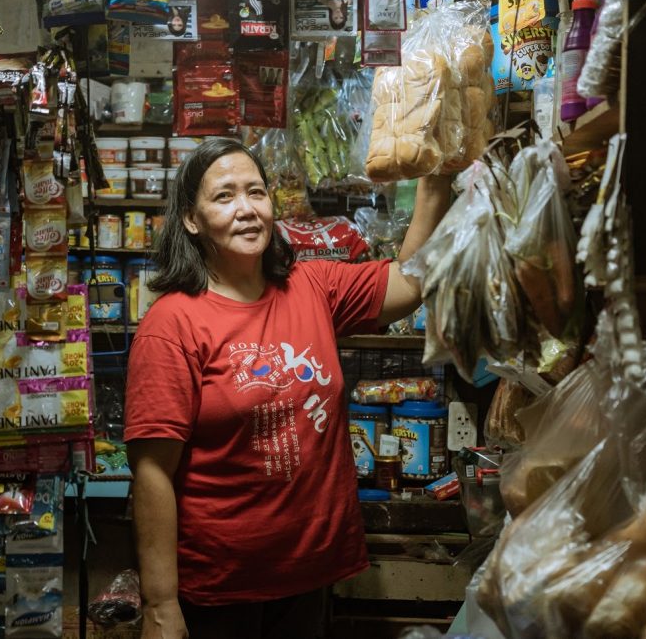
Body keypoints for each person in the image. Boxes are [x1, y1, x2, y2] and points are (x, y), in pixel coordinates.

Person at [124, 138, 452, 639]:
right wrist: (160, 604)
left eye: (256, 192)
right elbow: (151, 475)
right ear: (191, 219)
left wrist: (435, 179)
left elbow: (409, 283)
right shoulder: (172, 324)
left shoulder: (311, 286)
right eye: (225, 196)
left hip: (308, 576)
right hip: (220, 589)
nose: (246, 209)